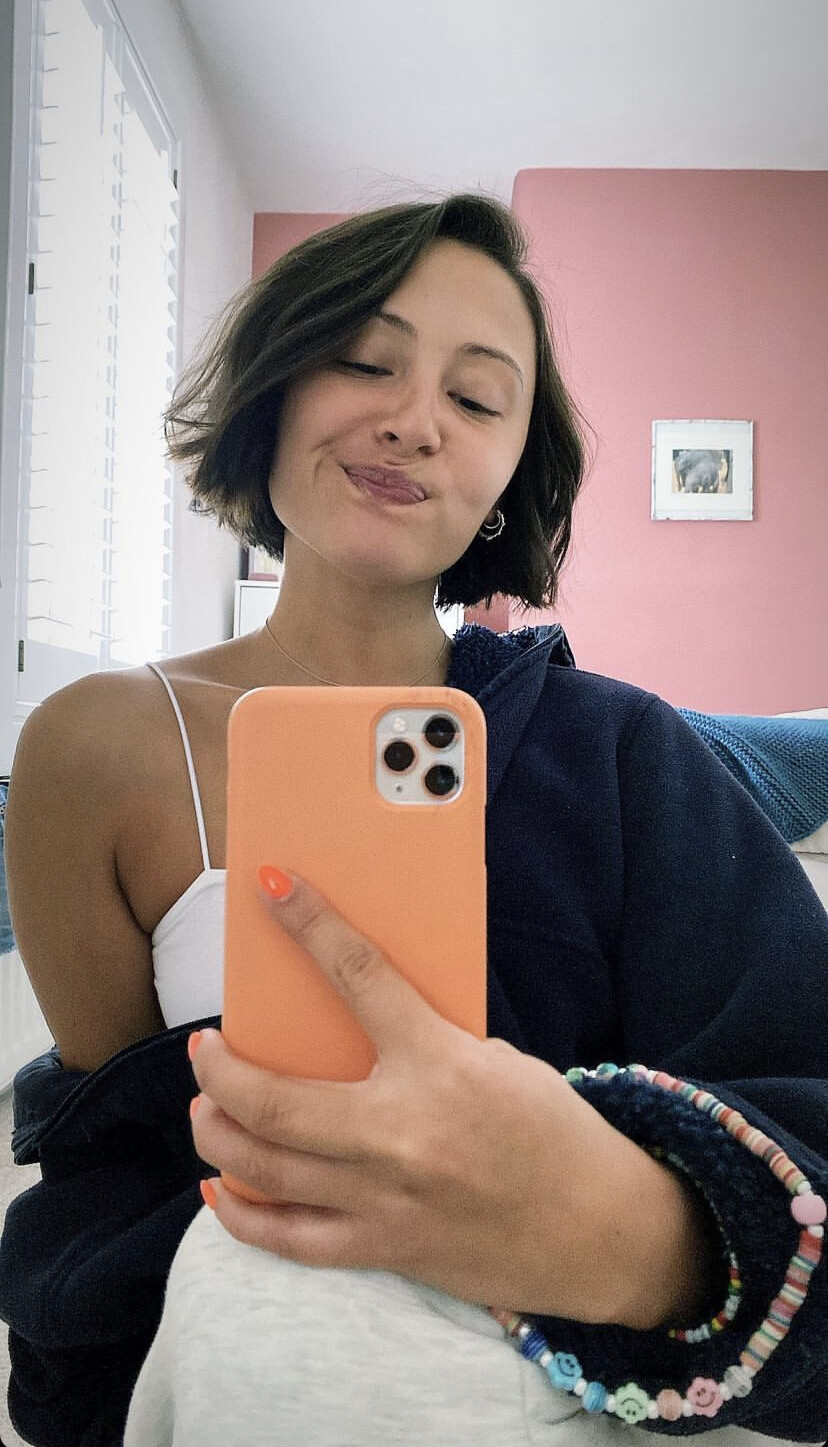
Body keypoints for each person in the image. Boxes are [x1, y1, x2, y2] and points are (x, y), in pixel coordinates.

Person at [1, 195, 826, 1447]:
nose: (415, 420)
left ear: (506, 477)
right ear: (275, 390)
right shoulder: (94, 749)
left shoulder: (624, 750)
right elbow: (107, 1183)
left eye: (477, 398)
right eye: (362, 360)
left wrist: (624, 1234)